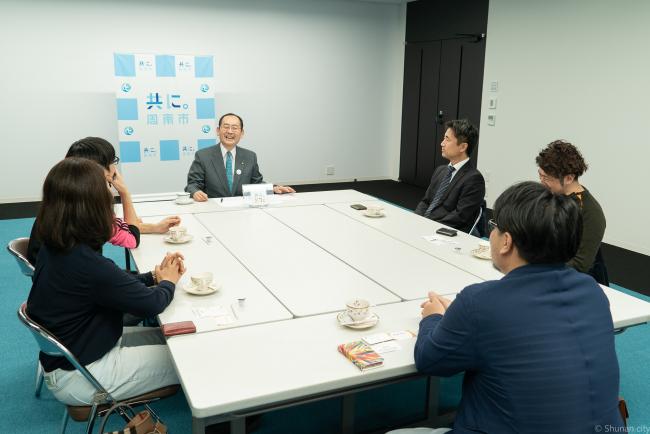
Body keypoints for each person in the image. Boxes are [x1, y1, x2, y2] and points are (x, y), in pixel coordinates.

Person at [390, 181, 623, 434]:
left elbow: (429, 360)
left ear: (506, 242)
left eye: (494, 227)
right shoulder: (592, 292)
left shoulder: (480, 303)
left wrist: (433, 318)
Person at [27, 158, 184, 405]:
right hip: (84, 373)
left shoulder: (56, 246)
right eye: (107, 190)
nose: (110, 195)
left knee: (172, 337)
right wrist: (169, 282)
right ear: (92, 206)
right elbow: (152, 304)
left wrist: (153, 277)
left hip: (79, 351)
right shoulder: (85, 263)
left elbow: (112, 284)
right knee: (189, 356)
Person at [26, 137, 181, 265]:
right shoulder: (89, 208)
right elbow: (132, 239)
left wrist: (153, 227)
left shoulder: (64, 197)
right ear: (96, 169)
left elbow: (112, 228)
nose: (114, 165)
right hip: (75, 284)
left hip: (52, 278)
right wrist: (124, 192)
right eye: (112, 161)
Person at [536, 140, 607, 284]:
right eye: (540, 175)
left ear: (569, 178)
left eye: (547, 178)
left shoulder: (591, 213)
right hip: (547, 272)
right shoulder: (550, 195)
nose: (541, 181)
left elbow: (580, 264)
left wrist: (539, 270)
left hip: (578, 283)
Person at [185, 113, 295, 200]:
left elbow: (256, 183)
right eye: (226, 127)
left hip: (243, 210)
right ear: (218, 131)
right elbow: (192, 185)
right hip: (213, 210)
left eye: (235, 128)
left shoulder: (250, 156)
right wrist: (195, 192)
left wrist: (273, 188)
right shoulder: (203, 155)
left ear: (242, 133)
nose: (230, 131)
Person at [414, 119, 485, 233]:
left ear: (462, 147)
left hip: (445, 232)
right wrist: (416, 219)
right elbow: (426, 201)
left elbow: (460, 216)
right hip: (426, 225)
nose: (442, 143)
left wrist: (429, 226)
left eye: (447, 139)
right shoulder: (440, 170)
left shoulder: (474, 179)